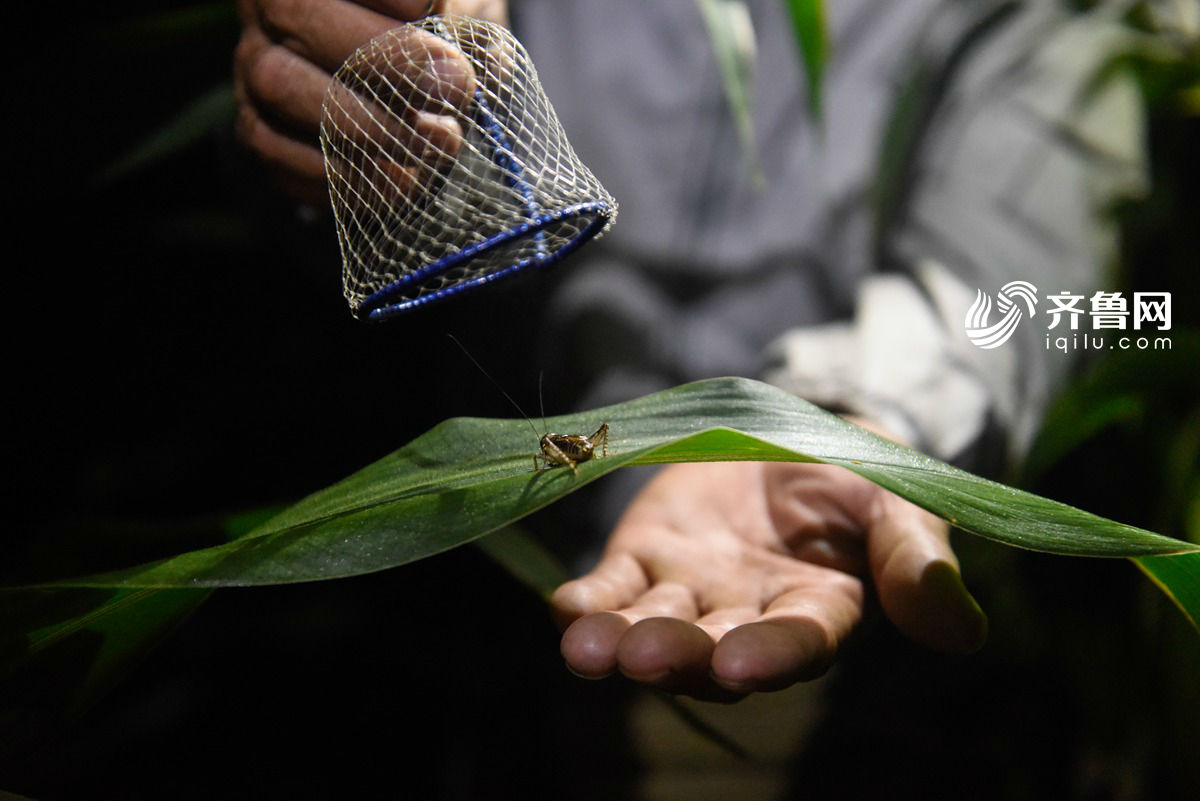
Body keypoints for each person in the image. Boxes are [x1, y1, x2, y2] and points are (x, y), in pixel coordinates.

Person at [234, 0, 1134, 700]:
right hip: (488, 604)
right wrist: (343, 99)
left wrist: (856, 424)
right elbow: (368, 208)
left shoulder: (1057, 24)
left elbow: (1022, 283)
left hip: (861, 666)